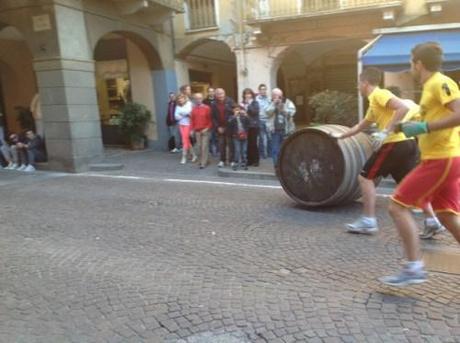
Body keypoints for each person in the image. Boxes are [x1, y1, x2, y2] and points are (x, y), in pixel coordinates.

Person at [380, 42, 460, 286]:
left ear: (419, 63)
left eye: (411, 63)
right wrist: (412, 126)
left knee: (396, 206)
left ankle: (414, 267)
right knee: (447, 217)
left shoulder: (439, 82)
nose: (410, 67)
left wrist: (425, 127)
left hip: (442, 158)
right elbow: (434, 118)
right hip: (443, 157)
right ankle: (414, 266)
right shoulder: (428, 87)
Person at [333, 70, 444, 236]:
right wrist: (340, 135)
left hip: (394, 144)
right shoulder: (373, 103)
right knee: (409, 184)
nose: (357, 87)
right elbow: (360, 126)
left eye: (358, 83)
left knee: (364, 177)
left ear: (365, 83)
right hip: (407, 143)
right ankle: (432, 220)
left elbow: (403, 107)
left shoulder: (380, 94)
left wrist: (386, 131)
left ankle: (368, 221)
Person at [265, 88, 296, 166]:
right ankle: (277, 167)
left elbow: (292, 113)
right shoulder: (269, 102)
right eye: (275, 95)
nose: (277, 97)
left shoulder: (288, 102)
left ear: (282, 95)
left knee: (285, 149)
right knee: (275, 150)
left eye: (279, 96)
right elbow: (267, 112)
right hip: (274, 130)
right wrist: (274, 105)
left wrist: (283, 109)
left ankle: (285, 166)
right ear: (272, 96)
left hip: (286, 130)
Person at [211, 88, 235, 168]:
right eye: (218, 94)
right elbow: (213, 117)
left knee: (231, 145)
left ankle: (231, 161)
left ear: (224, 93)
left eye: (221, 93)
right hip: (220, 128)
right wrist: (218, 127)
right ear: (216, 95)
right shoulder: (213, 104)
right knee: (221, 145)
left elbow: (234, 112)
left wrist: (229, 124)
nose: (220, 95)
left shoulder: (230, 101)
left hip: (229, 127)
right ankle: (222, 160)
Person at [190, 93, 213, 169]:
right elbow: (192, 120)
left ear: (202, 99)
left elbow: (210, 120)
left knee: (204, 147)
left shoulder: (207, 108)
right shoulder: (193, 109)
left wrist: (207, 128)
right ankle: (206, 159)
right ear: (194, 99)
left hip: (205, 130)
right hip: (197, 131)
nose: (198, 100)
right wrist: (192, 130)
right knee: (199, 147)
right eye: (196, 98)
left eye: (199, 98)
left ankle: (203, 163)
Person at [174, 93, 197, 164]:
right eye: (179, 99)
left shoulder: (189, 104)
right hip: (181, 124)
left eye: (181, 98)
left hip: (188, 124)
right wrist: (184, 115)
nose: (180, 100)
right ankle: (194, 155)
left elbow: (189, 112)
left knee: (184, 141)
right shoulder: (177, 106)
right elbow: (176, 116)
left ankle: (184, 156)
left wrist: (182, 114)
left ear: (184, 98)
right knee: (187, 141)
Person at [240, 88, 260, 167]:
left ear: (252, 95)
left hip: (254, 125)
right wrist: (241, 112)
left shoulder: (255, 102)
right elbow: (240, 112)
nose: (247, 95)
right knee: (247, 144)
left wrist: (248, 105)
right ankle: (249, 160)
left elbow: (255, 112)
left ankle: (256, 160)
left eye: (249, 94)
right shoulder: (242, 103)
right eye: (245, 94)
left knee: (253, 143)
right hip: (245, 126)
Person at [228, 105, 250, 171]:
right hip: (236, 137)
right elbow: (229, 124)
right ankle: (236, 163)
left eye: (238, 110)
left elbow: (248, 124)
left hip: (244, 136)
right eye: (236, 110)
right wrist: (234, 116)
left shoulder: (244, 117)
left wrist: (246, 115)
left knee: (244, 151)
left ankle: (244, 163)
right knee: (237, 150)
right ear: (233, 111)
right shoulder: (232, 118)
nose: (237, 111)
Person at [256, 84, 272, 159]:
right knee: (262, 138)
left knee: (269, 137)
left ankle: (269, 154)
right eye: (262, 89)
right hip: (260, 120)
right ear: (259, 90)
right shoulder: (256, 99)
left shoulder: (269, 99)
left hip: (268, 120)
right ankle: (261, 154)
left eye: (264, 89)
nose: (263, 91)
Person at [204, 87, 218, 157]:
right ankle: (210, 150)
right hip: (208, 121)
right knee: (209, 137)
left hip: (216, 121)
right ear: (208, 92)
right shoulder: (205, 101)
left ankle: (217, 150)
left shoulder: (217, 100)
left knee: (216, 137)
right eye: (210, 91)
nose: (211, 93)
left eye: (212, 91)